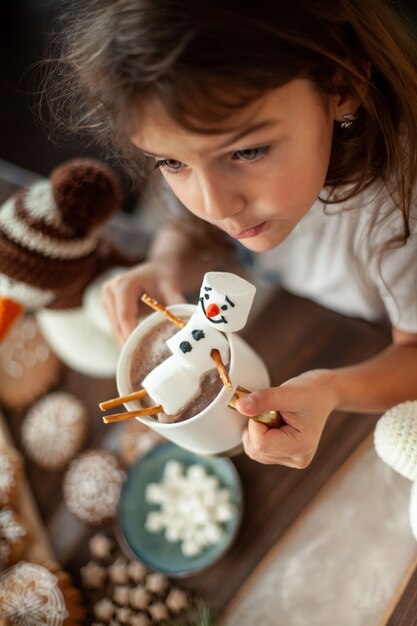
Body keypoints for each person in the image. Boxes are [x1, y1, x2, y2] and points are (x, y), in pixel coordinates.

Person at [51, 0, 417, 467]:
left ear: (341, 87)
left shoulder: (400, 217)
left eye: (248, 151)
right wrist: (167, 258)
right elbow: (181, 218)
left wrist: (331, 389)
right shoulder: (208, 167)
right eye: (171, 162)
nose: (213, 206)